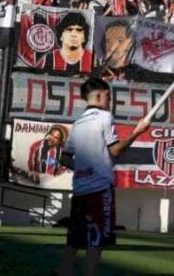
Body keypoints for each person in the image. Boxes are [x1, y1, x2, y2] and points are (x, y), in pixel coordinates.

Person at [58, 77, 150, 276]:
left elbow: (64, 158)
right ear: (99, 95)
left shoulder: (78, 123)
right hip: (100, 191)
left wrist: (84, 167)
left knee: (73, 240)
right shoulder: (105, 117)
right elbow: (115, 151)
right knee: (96, 241)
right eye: (108, 96)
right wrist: (137, 132)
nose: (110, 101)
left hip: (80, 191)